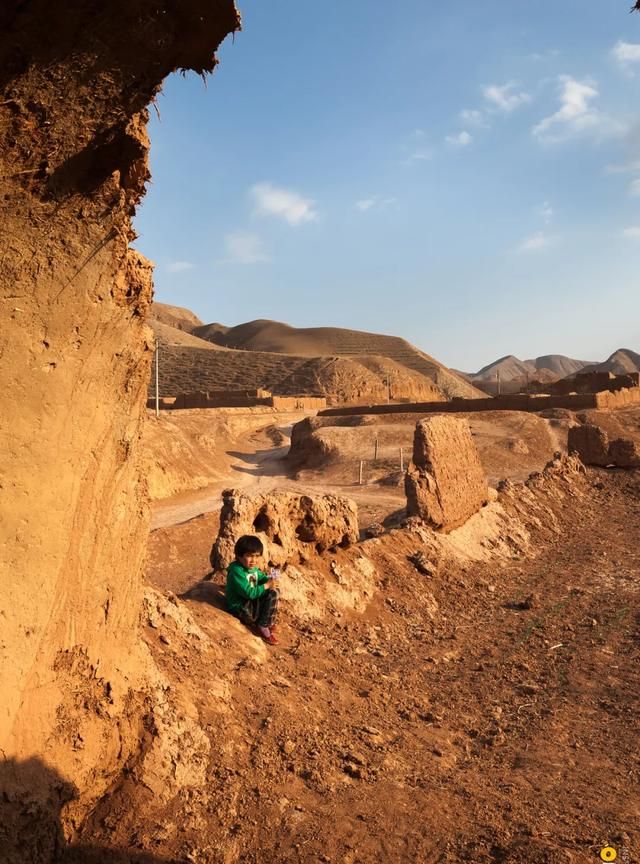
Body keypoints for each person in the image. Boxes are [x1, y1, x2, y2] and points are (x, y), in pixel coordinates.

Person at [225, 534, 280, 645]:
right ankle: (263, 626)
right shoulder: (237, 571)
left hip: (249, 603)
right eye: (249, 556)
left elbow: (262, 578)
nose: (253, 560)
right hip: (240, 608)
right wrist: (267, 585)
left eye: (257, 556)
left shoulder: (253, 569)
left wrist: (271, 578)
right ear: (239, 556)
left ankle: (266, 622)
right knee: (271, 593)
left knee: (274, 591)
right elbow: (250, 593)